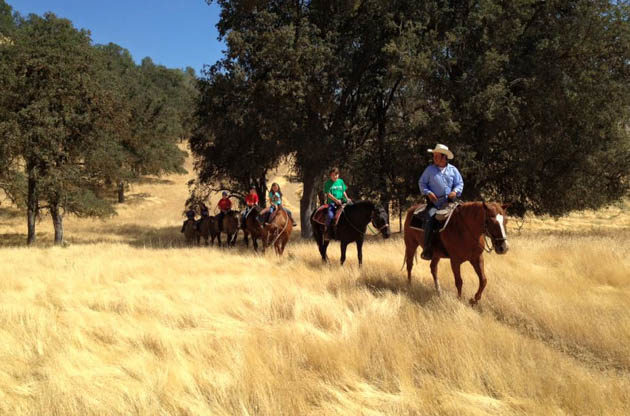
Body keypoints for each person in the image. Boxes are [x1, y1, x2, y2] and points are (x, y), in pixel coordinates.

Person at [418, 143, 463, 260]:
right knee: (430, 219)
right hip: (435, 203)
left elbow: (460, 183)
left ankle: (462, 246)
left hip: (451, 203)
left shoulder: (453, 170)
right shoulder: (429, 170)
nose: (434, 158)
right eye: (434, 156)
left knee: (463, 218)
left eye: (437, 156)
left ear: (444, 157)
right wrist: (428, 192)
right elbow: (422, 183)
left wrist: (455, 191)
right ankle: (427, 248)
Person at [323, 167, 352, 240]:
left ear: (338, 175)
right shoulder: (328, 183)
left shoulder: (341, 181)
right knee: (330, 215)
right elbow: (328, 194)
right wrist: (336, 200)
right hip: (332, 203)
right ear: (330, 175)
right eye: (333, 175)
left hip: (342, 201)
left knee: (353, 210)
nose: (335, 176)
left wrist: (347, 198)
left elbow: (343, 191)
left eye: (336, 175)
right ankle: (327, 232)